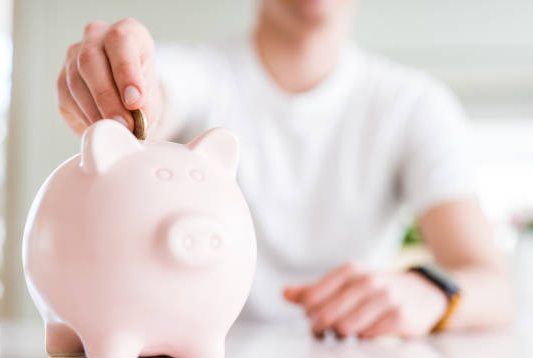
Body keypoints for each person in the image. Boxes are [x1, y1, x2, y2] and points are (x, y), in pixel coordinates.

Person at [56, 0, 514, 338]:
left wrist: (429, 293)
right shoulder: (199, 74)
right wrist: (126, 94)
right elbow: (157, 99)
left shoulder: (412, 105)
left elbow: (494, 286)